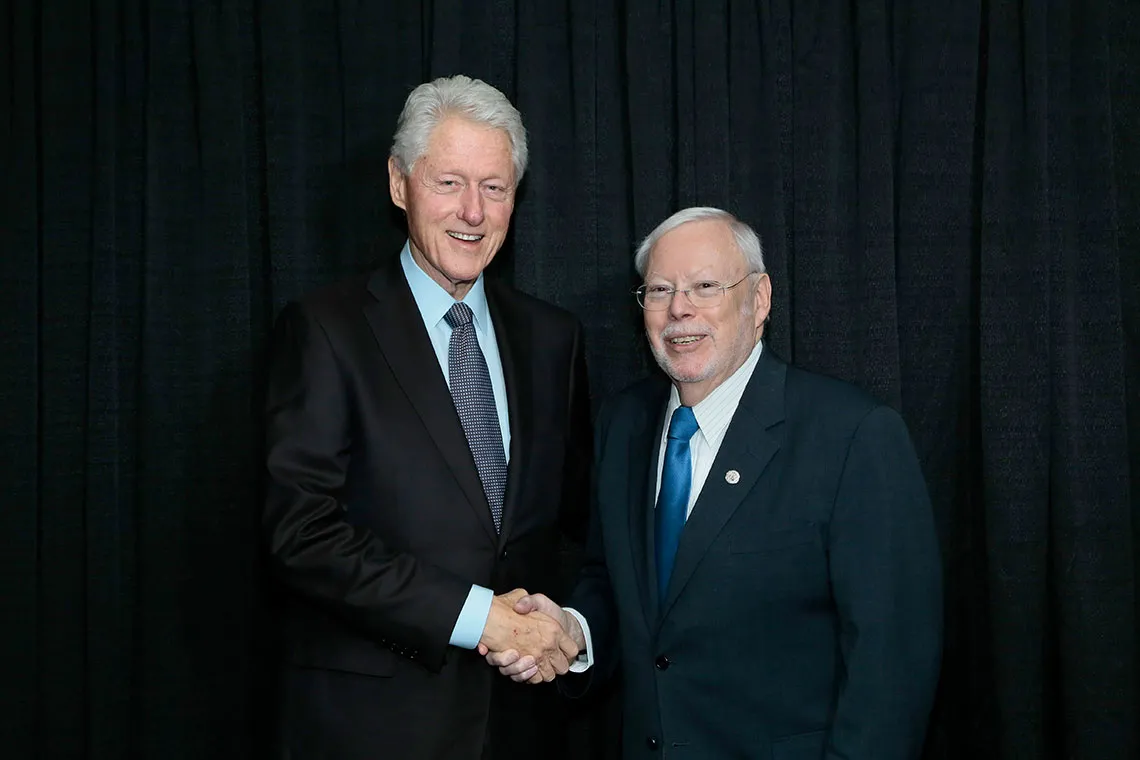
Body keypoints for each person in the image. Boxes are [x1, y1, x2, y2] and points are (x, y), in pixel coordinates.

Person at [488, 207, 943, 758]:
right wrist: (576, 630)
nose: (680, 309)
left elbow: (890, 665)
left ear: (759, 300)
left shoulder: (852, 435)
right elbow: (613, 580)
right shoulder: (623, 423)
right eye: (659, 290)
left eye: (705, 286)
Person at [263, 74, 592, 760]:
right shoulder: (326, 329)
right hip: (373, 727)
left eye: (494, 187)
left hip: (523, 725)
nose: (472, 211)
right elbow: (302, 533)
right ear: (398, 184)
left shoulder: (553, 338)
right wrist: (480, 619)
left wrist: (563, 625)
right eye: (449, 183)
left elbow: (574, 526)